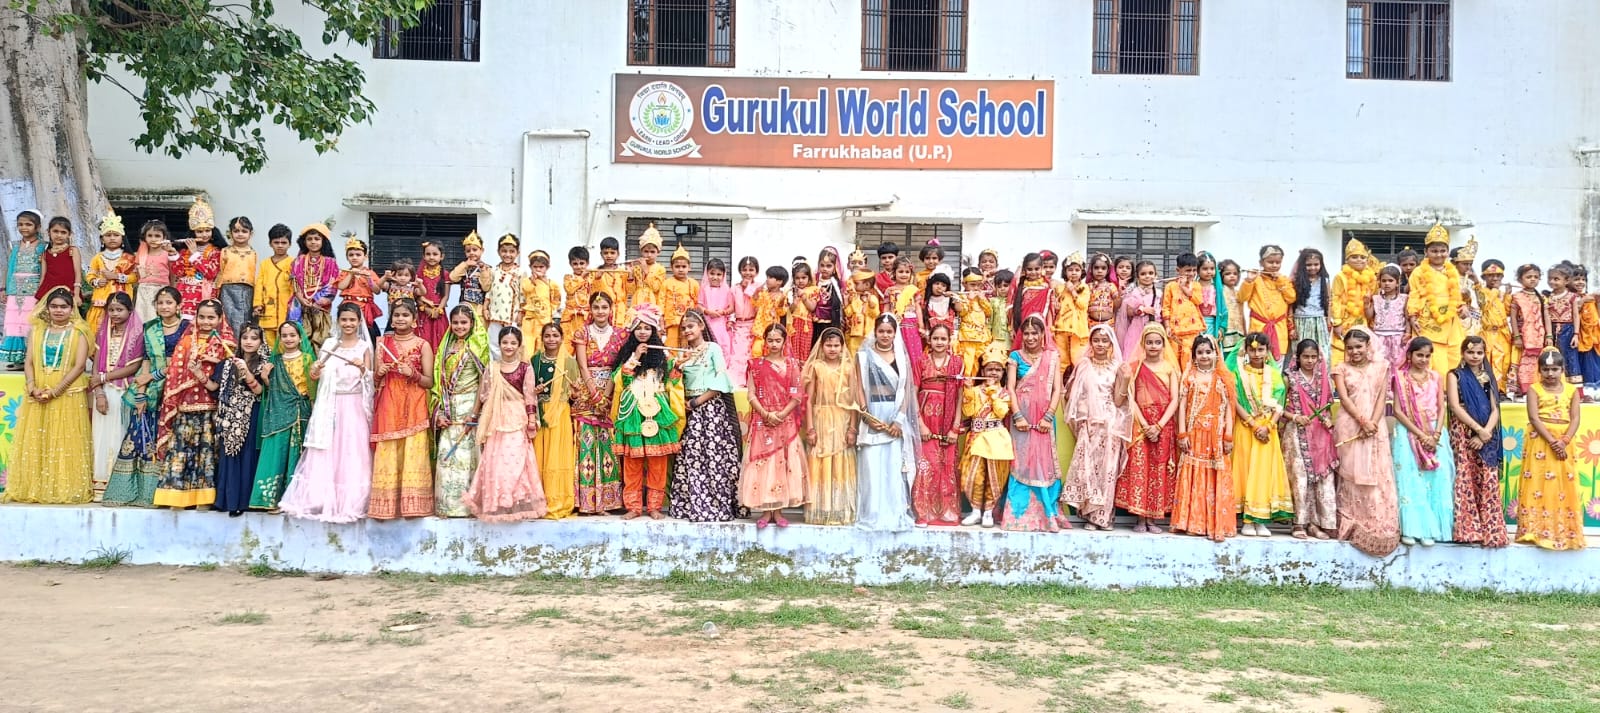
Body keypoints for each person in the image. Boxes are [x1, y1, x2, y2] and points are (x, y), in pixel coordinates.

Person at [279, 303, 373, 523]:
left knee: (351, 452)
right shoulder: (329, 344)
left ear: (359, 322)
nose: (348, 324)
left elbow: (371, 379)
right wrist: (314, 371)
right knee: (327, 450)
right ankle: (318, 498)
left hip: (354, 406)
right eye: (344, 320)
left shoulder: (364, 347)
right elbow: (315, 374)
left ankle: (351, 501)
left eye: (352, 320)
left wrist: (362, 369)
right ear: (337, 321)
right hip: (330, 405)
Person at [2, 287, 93, 504]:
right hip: (38, 390)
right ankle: (35, 487)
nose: (58, 311)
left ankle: (62, 488)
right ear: (47, 308)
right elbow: (29, 362)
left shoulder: (78, 331)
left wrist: (56, 391)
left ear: (72, 309)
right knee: (37, 438)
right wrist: (33, 387)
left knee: (63, 440)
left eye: (63, 306)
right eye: (54, 306)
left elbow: (80, 366)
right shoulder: (38, 331)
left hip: (66, 393)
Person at [103, 287, 187, 507]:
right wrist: (141, 394)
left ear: (179, 305)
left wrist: (156, 375)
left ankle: (168, 494)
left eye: (169, 302)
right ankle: (138, 493)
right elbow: (147, 360)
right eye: (160, 303)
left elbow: (185, 361)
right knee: (140, 436)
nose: (164, 307)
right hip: (150, 388)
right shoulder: (150, 328)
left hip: (179, 387)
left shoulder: (188, 329)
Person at [153, 299, 232, 509]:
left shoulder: (226, 345)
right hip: (186, 407)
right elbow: (175, 375)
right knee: (181, 450)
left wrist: (203, 373)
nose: (206, 322)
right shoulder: (186, 342)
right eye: (202, 317)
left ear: (220, 319)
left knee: (206, 453)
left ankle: (204, 499)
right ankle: (176, 497)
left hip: (210, 408)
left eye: (211, 317)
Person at [464, 326, 548, 521]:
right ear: (499, 344)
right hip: (496, 417)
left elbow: (529, 397)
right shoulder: (492, 368)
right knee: (495, 459)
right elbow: (483, 394)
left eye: (513, 343)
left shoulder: (525, 368)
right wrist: (475, 414)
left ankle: (516, 501)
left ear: (519, 346)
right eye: (505, 342)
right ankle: (495, 502)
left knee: (516, 460)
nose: (508, 346)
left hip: (517, 418)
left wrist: (532, 420)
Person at [1330, 328, 1400, 556]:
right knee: (1351, 474)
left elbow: (1381, 398)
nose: (1354, 351)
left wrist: (1372, 422)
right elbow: (1344, 399)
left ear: (1368, 346)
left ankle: (1376, 523)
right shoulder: (1340, 369)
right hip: (1350, 425)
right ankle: (1351, 523)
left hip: (1374, 427)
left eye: (1358, 347)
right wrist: (1362, 421)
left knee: (1375, 472)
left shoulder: (1381, 368)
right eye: (1349, 348)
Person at [610, 303, 684, 520]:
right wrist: (634, 357)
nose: (643, 331)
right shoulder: (627, 353)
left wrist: (678, 367)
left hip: (657, 411)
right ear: (633, 331)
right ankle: (633, 506)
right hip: (632, 411)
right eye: (639, 328)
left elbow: (673, 380)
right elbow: (621, 380)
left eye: (647, 328)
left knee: (657, 462)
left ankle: (654, 507)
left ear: (653, 331)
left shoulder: (663, 355)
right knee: (632, 462)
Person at [670, 309, 744, 523]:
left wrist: (697, 402)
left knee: (714, 457)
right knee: (691, 456)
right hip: (689, 412)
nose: (687, 330)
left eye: (691, 326)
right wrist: (676, 366)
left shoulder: (712, 349)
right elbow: (674, 382)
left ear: (701, 326)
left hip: (710, 409)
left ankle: (717, 505)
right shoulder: (682, 354)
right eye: (684, 328)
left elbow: (721, 381)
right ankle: (693, 505)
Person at [368, 298, 435, 519]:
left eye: (405, 315)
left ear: (414, 320)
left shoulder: (423, 345)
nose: (400, 319)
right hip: (389, 402)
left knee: (413, 450)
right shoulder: (381, 343)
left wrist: (412, 373)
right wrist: (380, 372)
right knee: (389, 449)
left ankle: (413, 506)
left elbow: (429, 381)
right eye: (396, 315)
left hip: (414, 403)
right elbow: (375, 381)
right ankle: (385, 506)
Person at [1518, 348, 1587, 551]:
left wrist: (1564, 441)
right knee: (1538, 482)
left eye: (1554, 369)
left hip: (1564, 440)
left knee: (1562, 483)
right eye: (1546, 369)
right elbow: (1533, 417)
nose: (1550, 374)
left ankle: (1564, 530)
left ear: (1562, 369)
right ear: (1539, 370)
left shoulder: (1571, 390)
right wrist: (1552, 441)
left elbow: (1575, 418)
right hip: (1540, 440)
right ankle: (1535, 530)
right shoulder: (1534, 389)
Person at [1061, 323, 1128, 531]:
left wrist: (1125, 381)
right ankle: (1089, 515)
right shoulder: (1084, 365)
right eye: (1096, 340)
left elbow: (1118, 401)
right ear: (1091, 342)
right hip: (1089, 424)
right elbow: (1075, 396)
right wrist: (1084, 421)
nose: (1100, 344)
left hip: (1110, 425)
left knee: (1107, 470)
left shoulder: (1118, 366)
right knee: (1088, 469)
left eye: (1104, 340)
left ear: (1110, 343)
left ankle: (1104, 517)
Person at [1391, 337, 1456, 546]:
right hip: (1408, 431)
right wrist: (1420, 434)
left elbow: (1441, 406)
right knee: (1411, 478)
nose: (1424, 359)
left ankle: (1432, 529)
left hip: (1435, 431)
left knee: (1437, 478)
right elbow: (1398, 411)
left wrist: (1436, 434)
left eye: (1428, 356)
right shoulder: (1400, 378)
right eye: (1420, 355)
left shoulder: (1436, 377)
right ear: (1409, 355)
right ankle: (1411, 528)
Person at [1171, 335, 1237, 541]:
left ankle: (1214, 524)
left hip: (1215, 437)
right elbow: (1181, 407)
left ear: (1216, 353)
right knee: (1194, 476)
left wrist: (1228, 435)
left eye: (1208, 352)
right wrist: (1182, 433)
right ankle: (1193, 523)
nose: (1205, 356)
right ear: (1194, 355)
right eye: (1200, 352)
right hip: (1194, 434)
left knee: (1214, 476)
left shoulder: (1223, 379)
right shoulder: (1189, 377)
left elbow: (1228, 408)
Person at [856, 314, 917, 532]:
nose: (885, 335)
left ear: (895, 333)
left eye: (889, 331)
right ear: (875, 331)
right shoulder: (864, 356)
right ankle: (872, 514)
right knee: (872, 466)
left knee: (892, 466)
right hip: (872, 413)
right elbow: (858, 387)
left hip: (894, 415)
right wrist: (867, 416)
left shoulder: (901, 357)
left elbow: (908, 389)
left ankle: (895, 513)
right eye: (881, 331)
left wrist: (899, 420)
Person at [744, 323, 809, 528]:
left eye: (777, 340)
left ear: (784, 341)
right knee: (764, 464)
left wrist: (781, 414)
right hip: (763, 420)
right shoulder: (756, 365)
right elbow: (751, 394)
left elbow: (797, 394)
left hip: (785, 420)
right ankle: (765, 511)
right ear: (765, 341)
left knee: (782, 464)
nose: (773, 344)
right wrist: (765, 413)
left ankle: (779, 511)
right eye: (770, 340)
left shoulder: (791, 364)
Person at [1446, 335, 1508, 547]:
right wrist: (1478, 430)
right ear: (1463, 353)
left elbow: (1494, 410)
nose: (1474, 356)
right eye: (1470, 352)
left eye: (1479, 352)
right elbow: (1455, 406)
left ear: (1484, 354)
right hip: (1462, 431)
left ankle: (1491, 531)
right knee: (1465, 476)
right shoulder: (1455, 375)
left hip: (1486, 434)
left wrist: (1486, 432)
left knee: (1487, 476)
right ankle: (1468, 530)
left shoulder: (1488, 377)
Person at [1116, 323, 1179, 533]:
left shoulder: (1170, 369)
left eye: (1157, 342)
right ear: (1143, 343)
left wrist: (1159, 426)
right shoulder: (1134, 368)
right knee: (1140, 470)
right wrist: (1145, 425)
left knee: (1158, 472)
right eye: (1149, 342)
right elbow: (1130, 399)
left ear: (1163, 344)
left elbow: (1175, 399)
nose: (1153, 346)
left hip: (1163, 425)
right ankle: (1140, 518)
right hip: (1140, 425)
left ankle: (1153, 519)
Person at [1232, 332, 1293, 536]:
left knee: (1264, 471)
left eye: (1260, 349)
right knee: (1247, 470)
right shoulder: (1239, 373)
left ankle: (1261, 518)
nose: (1256, 353)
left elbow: (1279, 404)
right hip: (1245, 427)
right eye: (1252, 349)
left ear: (1267, 351)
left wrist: (1267, 427)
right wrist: (1252, 423)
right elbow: (1235, 401)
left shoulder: (1274, 374)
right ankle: (1248, 520)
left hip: (1268, 429)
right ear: (1246, 351)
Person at [250, 321, 315, 511]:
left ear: (300, 336)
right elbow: (273, 390)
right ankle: (270, 500)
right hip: (278, 412)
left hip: (299, 413)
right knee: (276, 452)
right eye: (284, 335)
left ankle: (293, 500)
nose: (288, 339)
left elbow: (312, 391)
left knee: (296, 454)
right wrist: (264, 378)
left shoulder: (307, 359)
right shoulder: (274, 361)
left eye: (292, 335)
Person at [572, 291, 627, 513]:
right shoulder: (582, 332)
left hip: (611, 391)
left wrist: (607, 393)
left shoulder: (621, 334)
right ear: (590, 310)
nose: (600, 312)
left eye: (604, 307)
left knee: (608, 443)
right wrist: (595, 393)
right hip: (587, 391)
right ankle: (586, 502)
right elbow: (583, 365)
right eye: (596, 307)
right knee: (586, 442)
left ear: (611, 309)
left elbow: (619, 366)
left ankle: (608, 500)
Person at [432, 306, 488, 518]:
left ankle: (468, 506)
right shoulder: (446, 346)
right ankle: (447, 506)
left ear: (472, 323)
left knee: (467, 456)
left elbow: (484, 379)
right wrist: (439, 412)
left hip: (469, 404)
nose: (459, 326)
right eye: (455, 322)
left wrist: (475, 412)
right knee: (447, 455)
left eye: (464, 322)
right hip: (449, 406)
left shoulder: (477, 345)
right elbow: (439, 378)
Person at [87, 293, 144, 502]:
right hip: (103, 390)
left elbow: (135, 366)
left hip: (124, 391)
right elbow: (95, 364)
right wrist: (99, 390)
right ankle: (99, 485)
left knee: (119, 434)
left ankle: (118, 485)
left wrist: (104, 377)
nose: (115, 314)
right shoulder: (103, 332)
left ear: (130, 311)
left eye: (119, 309)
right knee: (100, 436)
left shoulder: (138, 333)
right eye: (111, 310)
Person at [1281, 339, 1337, 540]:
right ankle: (1298, 523)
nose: (1310, 361)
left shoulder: (1324, 379)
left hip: (1320, 435)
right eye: (1306, 356)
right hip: (1296, 433)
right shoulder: (1289, 378)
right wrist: (1295, 417)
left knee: (1320, 479)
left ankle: (1316, 524)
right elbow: (1278, 409)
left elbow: (1328, 407)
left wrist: (1328, 420)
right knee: (1300, 478)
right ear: (1297, 357)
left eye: (1314, 357)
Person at [802, 326, 858, 525]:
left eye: (836, 345)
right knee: (821, 461)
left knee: (840, 461)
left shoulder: (849, 368)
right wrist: (810, 428)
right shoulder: (816, 367)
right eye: (829, 345)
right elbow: (808, 400)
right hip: (821, 418)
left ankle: (840, 509)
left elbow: (853, 401)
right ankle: (821, 510)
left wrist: (852, 428)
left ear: (843, 347)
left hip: (842, 419)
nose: (833, 349)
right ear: (822, 346)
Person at [211, 322, 268, 516]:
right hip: (229, 412)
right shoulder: (228, 363)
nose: (249, 342)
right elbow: (214, 388)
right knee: (229, 453)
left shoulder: (264, 364)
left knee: (246, 453)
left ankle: (242, 502)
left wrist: (247, 373)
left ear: (261, 341)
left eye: (254, 338)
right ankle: (225, 500)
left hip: (251, 411)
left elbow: (260, 391)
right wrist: (198, 373)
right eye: (245, 338)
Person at [912, 324, 964, 527]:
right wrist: (920, 424)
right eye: (936, 339)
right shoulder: (921, 361)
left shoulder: (957, 363)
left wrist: (955, 427)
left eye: (943, 339)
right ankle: (923, 513)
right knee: (926, 466)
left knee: (946, 464)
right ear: (929, 340)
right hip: (926, 418)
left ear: (949, 340)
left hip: (947, 421)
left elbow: (960, 396)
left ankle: (947, 513)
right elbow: (913, 393)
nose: (939, 342)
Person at [960, 345, 1014, 527]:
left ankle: (989, 512)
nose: (993, 373)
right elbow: (968, 411)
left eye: (998, 369)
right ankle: (975, 511)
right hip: (977, 439)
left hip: (997, 439)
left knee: (994, 477)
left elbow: (1001, 412)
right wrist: (967, 391)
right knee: (976, 476)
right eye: (990, 369)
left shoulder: (1005, 393)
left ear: (1003, 372)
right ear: (982, 370)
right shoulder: (976, 391)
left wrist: (992, 392)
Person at [531, 322, 580, 519]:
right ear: (542, 339)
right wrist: (533, 392)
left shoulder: (570, 363)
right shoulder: (534, 361)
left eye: (555, 335)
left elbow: (574, 397)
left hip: (560, 413)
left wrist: (575, 393)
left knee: (557, 457)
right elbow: (526, 390)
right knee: (539, 457)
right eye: (547, 336)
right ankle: (538, 500)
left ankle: (558, 501)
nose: (551, 339)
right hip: (540, 414)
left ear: (562, 338)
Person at [1407, 223, 1465, 373]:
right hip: (1428, 319)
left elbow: (1456, 294)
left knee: (1454, 353)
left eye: (1442, 251)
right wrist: (1412, 317)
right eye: (1434, 251)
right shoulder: (1418, 272)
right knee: (1429, 354)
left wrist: (1462, 307)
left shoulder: (1453, 272)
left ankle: (1449, 391)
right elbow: (1414, 295)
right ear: (1426, 252)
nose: (1439, 255)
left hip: (1450, 318)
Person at [2, 209, 46, 369]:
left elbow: (44, 269)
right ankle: (19, 359)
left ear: (38, 227)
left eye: (28, 224)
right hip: (14, 289)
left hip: (34, 290)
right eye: (20, 224)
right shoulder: (13, 245)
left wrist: (42, 291)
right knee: (14, 322)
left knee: (31, 322)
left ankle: (32, 358)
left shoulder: (44, 247)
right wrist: (4, 289)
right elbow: (9, 267)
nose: (24, 227)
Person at [86, 210, 137, 335]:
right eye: (108, 235)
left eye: (116, 235)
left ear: (122, 238)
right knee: (98, 332)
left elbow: (135, 277)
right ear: (102, 239)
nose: (112, 238)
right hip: (101, 301)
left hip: (122, 301)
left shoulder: (129, 258)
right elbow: (90, 275)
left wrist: (117, 277)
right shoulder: (97, 258)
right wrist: (97, 281)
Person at [290, 224, 339, 346]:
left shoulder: (330, 262)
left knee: (320, 339)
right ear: (304, 242)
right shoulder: (298, 261)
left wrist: (316, 302)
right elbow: (294, 281)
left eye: (317, 239)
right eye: (309, 239)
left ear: (324, 241)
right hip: (300, 305)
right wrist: (301, 299)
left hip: (320, 307)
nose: (313, 242)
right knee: (299, 338)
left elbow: (332, 285)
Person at [1330, 240, 1375, 365]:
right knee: (1341, 351)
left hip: (1363, 320)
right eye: (1354, 257)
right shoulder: (1340, 277)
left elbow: (1373, 300)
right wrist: (1337, 322)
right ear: (1347, 260)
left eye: (1362, 257)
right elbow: (1335, 299)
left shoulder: (1371, 277)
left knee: (1361, 351)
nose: (1359, 260)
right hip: (1345, 320)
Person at [1507, 264, 1549, 397]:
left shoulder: (1541, 297)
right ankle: (1519, 390)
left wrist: (1549, 336)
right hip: (1522, 335)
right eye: (1528, 277)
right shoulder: (1517, 296)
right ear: (1520, 279)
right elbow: (1513, 318)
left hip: (1538, 335)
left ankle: (1534, 389)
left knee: (1536, 362)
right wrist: (1517, 336)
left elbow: (1546, 317)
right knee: (1519, 360)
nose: (1533, 279)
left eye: (1536, 277)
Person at [253, 224, 294, 349]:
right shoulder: (265, 263)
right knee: (268, 343)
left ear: (289, 244)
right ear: (270, 243)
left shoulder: (293, 262)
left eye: (284, 242)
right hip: (268, 308)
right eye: (276, 242)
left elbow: (296, 286)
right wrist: (257, 304)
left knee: (285, 339)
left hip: (285, 307)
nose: (280, 245)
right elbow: (259, 284)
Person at [1289, 248, 1332, 366]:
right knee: (1301, 353)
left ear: (1321, 264)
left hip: (1319, 321)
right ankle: (1300, 383)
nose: (1313, 267)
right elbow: (1290, 304)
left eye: (1316, 264)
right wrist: (1291, 326)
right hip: (1301, 322)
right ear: (1302, 265)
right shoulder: (1296, 280)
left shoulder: (1325, 279)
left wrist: (1328, 321)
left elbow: (1329, 301)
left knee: (1323, 354)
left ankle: (1321, 382)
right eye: (1308, 265)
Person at [1162, 253, 1204, 372]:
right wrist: (1167, 326)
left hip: (1192, 329)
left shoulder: (1196, 285)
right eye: (1187, 270)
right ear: (1178, 270)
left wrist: (1185, 288)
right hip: (1175, 330)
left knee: (1190, 358)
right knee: (1173, 360)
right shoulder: (1170, 286)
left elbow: (1198, 300)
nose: (1191, 274)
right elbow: (1166, 308)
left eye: (1194, 270)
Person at [338, 237, 383, 341]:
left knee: (369, 334)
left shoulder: (370, 273)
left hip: (364, 307)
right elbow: (341, 286)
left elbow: (377, 291)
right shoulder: (345, 272)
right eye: (351, 255)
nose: (354, 257)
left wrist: (369, 279)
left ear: (365, 257)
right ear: (347, 257)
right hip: (348, 306)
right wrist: (351, 274)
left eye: (358, 255)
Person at [218, 216, 257, 335]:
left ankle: (242, 348)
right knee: (228, 320)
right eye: (236, 231)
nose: (240, 234)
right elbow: (221, 271)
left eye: (244, 231)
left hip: (247, 290)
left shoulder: (253, 253)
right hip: (227, 290)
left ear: (251, 233)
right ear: (230, 233)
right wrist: (217, 291)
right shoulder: (225, 251)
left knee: (244, 320)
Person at [132, 220, 174, 330]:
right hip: (143, 291)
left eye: (157, 236)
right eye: (150, 236)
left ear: (164, 237)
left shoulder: (167, 254)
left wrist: (172, 291)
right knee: (142, 319)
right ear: (144, 237)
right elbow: (136, 275)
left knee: (159, 319)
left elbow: (173, 274)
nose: (153, 239)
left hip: (161, 291)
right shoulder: (140, 254)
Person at [482, 233, 524, 344]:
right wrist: (485, 308)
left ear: (517, 253)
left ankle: (510, 362)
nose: (507, 254)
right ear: (498, 252)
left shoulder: (520, 272)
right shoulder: (494, 271)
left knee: (511, 342)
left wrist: (521, 313)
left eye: (511, 251)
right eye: (504, 251)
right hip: (495, 314)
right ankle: (495, 362)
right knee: (494, 343)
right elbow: (489, 292)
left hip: (512, 316)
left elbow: (522, 295)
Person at [1369, 265, 1409, 372]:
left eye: (1390, 280)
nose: (1387, 283)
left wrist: (1408, 332)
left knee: (1397, 366)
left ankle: (1396, 387)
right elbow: (1370, 315)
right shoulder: (1376, 298)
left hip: (1397, 337)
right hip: (1379, 336)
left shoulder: (1403, 298)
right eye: (1384, 280)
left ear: (1398, 282)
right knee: (1380, 365)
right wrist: (1366, 304)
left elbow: (1407, 316)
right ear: (1379, 282)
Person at [36, 216, 83, 307]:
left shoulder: (72, 251)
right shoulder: (45, 254)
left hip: (69, 291)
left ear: (69, 234)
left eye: (63, 232)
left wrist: (76, 295)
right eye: (55, 231)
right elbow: (43, 276)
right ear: (49, 232)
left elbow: (78, 274)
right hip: (48, 292)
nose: (59, 235)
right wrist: (39, 297)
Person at [660, 244, 699, 348]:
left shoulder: (694, 283)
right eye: (677, 266)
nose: (681, 269)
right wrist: (661, 323)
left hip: (688, 323)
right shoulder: (666, 283)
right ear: (671, 267)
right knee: (671, 347)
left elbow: (697, 304)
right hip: (672, 322)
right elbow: (661, 305)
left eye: (684, 266)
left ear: (689, 267)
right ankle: (672, 364)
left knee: (687, 346)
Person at [519, 250, 560, 348]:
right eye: (535, 267)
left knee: (541, 345)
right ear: (530, 267)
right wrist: (533, 281)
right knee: (527, 345)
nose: (538, 269)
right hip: (530, 319)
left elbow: (556, 299)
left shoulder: (551, 284)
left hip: (545, 320)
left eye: (541, 267)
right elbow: (526, 290)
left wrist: (550, 310)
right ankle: (527, 362)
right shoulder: (526, 281)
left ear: (547, 267)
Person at [729, 256, 759, 385]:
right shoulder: (734, 288)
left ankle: (750, 382)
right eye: (744, 269)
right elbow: (730, 306)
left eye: (751, 270)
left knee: (749, 353)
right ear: (740, 271)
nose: (748, 273)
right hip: (738, 324)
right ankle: (736, 381)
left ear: (756, 272)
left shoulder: (759, 288)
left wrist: (750, 290)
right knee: (737, 353)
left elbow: (759, 306)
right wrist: (730, 320)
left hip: (753, 324)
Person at [416, 241, 451, 347]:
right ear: (423, 256)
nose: (431, 257)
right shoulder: (419, 274)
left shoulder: (445, 274)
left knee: (440, 342)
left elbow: (445, 296)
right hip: (423, 313)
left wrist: (438, 310)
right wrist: (426, 309)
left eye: (435, 254)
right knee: (423, 340)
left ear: (442, 256)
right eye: (428, 254)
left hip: (439, 314)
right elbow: (416, 295)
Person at [751, 265, 790, 359]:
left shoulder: (782, 296)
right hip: (760, 328)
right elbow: (755, 303)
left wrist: (781, 303)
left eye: (770, 277)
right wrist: (756, 293)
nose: (767, 280)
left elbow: (782, 312)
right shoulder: (764, 293)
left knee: (770, 350)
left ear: (779, 282)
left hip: (773, 329)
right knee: (756, 350)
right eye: (767, 277)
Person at [450, 230, 488, 322]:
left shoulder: (486, 268)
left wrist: (483, 270)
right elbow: (452, 277)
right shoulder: (464, 267)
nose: (471, 253)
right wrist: (465, 264)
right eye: (468, 251)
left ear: (482, 250)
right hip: (464, 308)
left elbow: (486, 287)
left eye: (475, 250)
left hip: (479, 310)